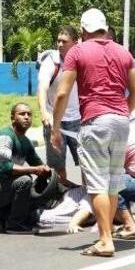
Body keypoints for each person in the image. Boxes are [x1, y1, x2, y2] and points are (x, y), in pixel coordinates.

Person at [50, 8, 135, 258]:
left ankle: (104, 240)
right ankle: (108, 234)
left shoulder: (77, 51)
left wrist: (56, 127)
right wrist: (122, 112)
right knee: (113, 183)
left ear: (82, 30)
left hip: (95, 121)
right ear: (105, 27)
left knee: (96, 183)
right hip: (122, 122)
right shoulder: (123, 51)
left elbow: (61, 93)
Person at [0, 103, 51, 233]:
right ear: (13, 118)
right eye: (22, 114)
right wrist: (33, 170)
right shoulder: (5, 136)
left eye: (29, 114)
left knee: (34, 212)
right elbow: (5, 168)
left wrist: (48, 173)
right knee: (24, 180)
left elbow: (39, 165)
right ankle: (15, 225)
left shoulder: (26, 142)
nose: (26, 117)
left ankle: (2, 214)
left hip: (5, 188)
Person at [37, 26, 81, 186]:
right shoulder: (51, 61)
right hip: (55, 120)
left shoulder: (82, 59)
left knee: (86, 165)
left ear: (75, 42)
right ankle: (62, 200)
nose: (60, 44)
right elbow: (42, 88)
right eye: (58, 41)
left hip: (78, 120)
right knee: (57, 168)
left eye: (65, 41)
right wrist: (43, 112)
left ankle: (87, 201)